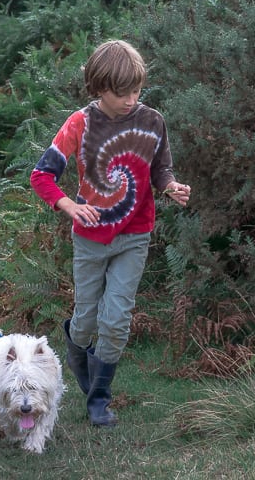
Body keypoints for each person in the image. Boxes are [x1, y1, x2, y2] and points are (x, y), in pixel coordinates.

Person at [30, 40, 190, 427]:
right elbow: (42, 174)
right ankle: (79, 360)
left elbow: (161, 169)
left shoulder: (152, 121)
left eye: (136, 90)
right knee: (85, 320)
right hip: (89, 236)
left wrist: (171, 186)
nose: (131, 99)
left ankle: (99, 399)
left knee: (116, 319)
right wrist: (68, 205)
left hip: (135, 234)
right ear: (99, 87)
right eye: (122, 93)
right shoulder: (80, 123)